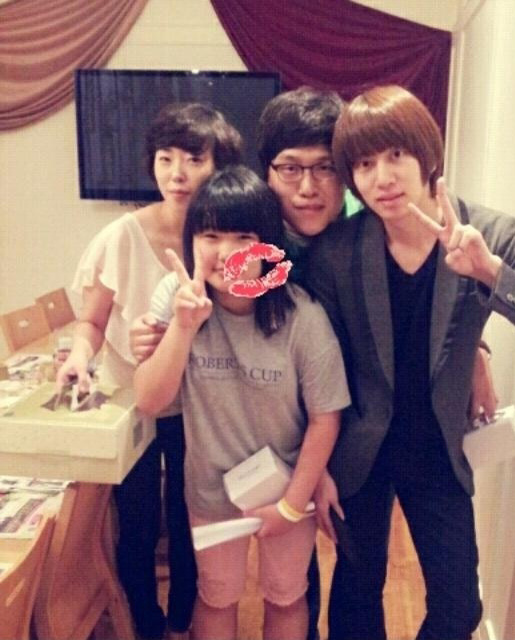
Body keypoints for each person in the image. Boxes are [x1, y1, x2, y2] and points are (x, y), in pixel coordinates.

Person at [306, 85, 515, 640]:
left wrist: (490, 273)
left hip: (436, 447)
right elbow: (316, 367)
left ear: (426, 153)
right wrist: (315, 472)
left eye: (396, 155)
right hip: (358, 449)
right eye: (364, 164)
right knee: (357, 600)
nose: (383, 178)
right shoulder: (337, 250)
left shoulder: (491, 232)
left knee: (459, 607)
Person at [133, 165, 351, 640]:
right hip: (211, 491)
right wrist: (183, 327)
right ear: (191, 241)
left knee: (286, 595)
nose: (226, 252)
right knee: (216, 594)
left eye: (244, 238)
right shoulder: (183, 307)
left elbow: (325, 418)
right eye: (210, 235)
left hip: (288, 487)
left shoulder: (302, 317)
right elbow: (150, 400)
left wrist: (292, 505)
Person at [56, 102, 243, 640]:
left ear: (219, 167)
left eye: (194, 159)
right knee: (136, 525)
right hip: (132, 404)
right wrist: (79, 356)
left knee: (190, 522)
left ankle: (183, 621)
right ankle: (145, 623)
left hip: (199, 405)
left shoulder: (226, 239)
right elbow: (92, 321)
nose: (177, 173)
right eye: (165, 159)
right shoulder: (121, 236)